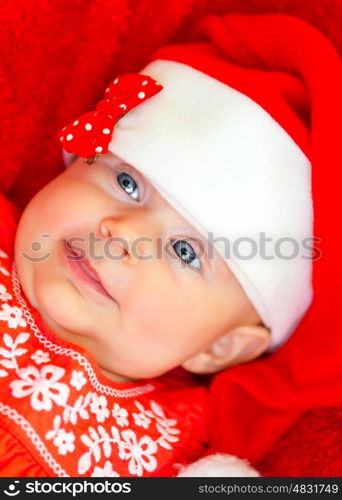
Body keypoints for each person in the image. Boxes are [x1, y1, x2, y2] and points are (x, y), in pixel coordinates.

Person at [0, 12, 340, 477]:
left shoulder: (181, 451)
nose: (124, 234)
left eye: (186, 252)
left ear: (218, 349)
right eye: (127, 182)